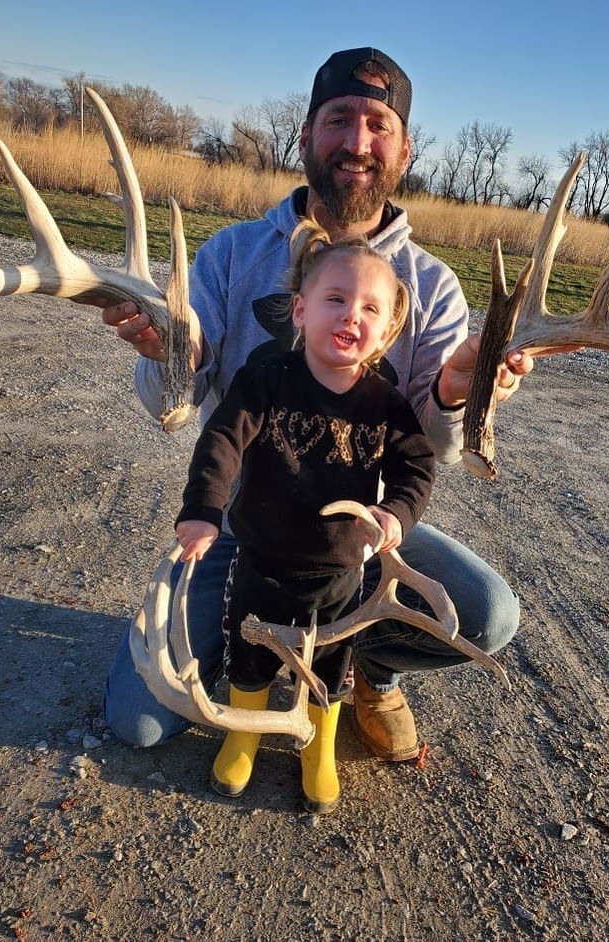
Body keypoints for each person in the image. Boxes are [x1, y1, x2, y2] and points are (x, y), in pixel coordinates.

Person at [101, 46, 529, 765]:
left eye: (377, 124)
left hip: (356, 538)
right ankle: (249, 652)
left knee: (488, 615)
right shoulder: (233, 256)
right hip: (245, 525)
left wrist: (458, 391)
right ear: (306, 135)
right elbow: (170, 401)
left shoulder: (432, 285)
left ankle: (371, 668)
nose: (357, 143)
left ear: (403, 147)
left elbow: (437, 446)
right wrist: (168, 354)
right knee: (138, 720)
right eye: (340, 120)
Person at [175, 216, 436, 811]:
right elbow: (222, 442)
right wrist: (203, 511)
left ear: (386, 332)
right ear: (299, 311)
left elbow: (416, 469)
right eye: (335, 299)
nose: (351, 316)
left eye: (371, 309)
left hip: (341, 569)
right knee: (253, 650)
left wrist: (395, 514)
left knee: (332, 658)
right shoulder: (266, 378)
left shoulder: (386, 404)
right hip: (261, 559)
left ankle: (318, 746)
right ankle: (245, 729)